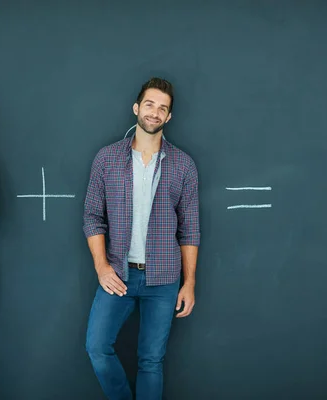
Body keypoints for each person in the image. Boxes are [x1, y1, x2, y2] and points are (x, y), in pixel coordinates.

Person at [83, 77, 200, 399]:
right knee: (96, 347)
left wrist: (188, 283)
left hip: (163, 280)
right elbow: (92, 217)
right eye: (150, 104)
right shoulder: (107, 159)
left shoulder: (184, 165)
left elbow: (190, 230)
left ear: (169, 117)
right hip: (118, 274)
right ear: (137, 108)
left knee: (151, 361)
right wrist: (102, 267)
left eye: (163, 108)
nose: (155, 112)